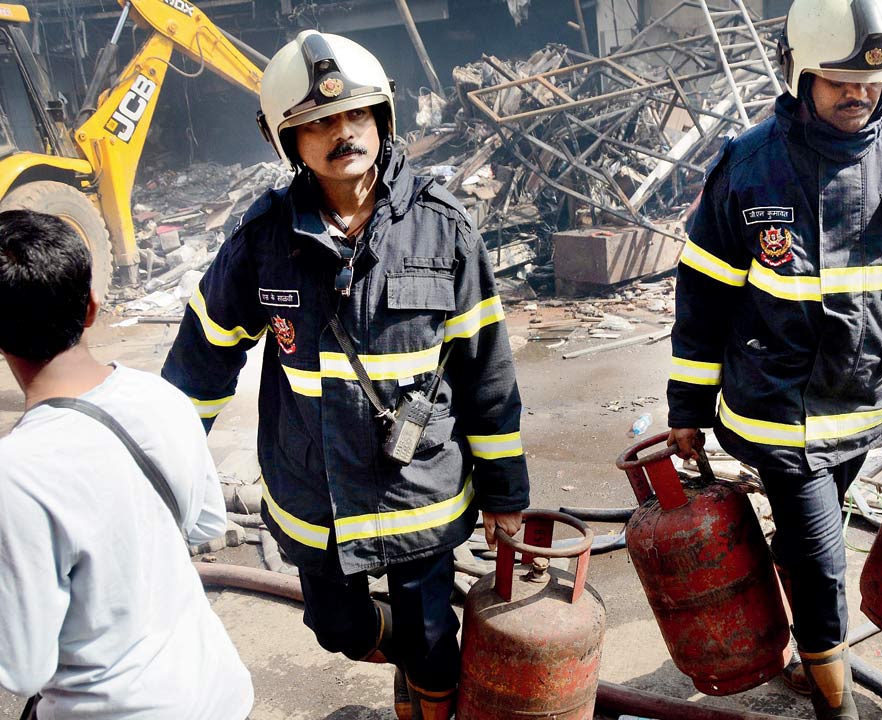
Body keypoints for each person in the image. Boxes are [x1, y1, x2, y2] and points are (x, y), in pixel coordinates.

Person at [161, 30, 529, 720]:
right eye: (318, 123)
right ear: (287, 141)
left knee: (430, 639)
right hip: (315, 501)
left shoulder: (443, 229)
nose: (342, 133)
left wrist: (507, 493)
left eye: (355, 115)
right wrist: (160, 465)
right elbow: (203, 355)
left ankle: (428, 699)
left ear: (382, 118)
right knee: (339, 629)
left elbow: (488, 372)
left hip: (419, 492)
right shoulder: (263, 240)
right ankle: (397, 656)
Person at [666, 1, 882, 718]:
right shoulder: (749, 167)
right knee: (824, 562)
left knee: (809, 539)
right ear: (799, 75)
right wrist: (687, 409)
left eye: (874, 81)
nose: (860, 94)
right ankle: (833, 702)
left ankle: (804, 656)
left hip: (866, 404)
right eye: (841, 80)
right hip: (780, 414)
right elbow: (703, 300)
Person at [0, 209, 253, 719]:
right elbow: (206, 522)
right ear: (93, 306)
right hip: (218, 691)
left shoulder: (15, 475)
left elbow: (23, 668)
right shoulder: (161, 397)